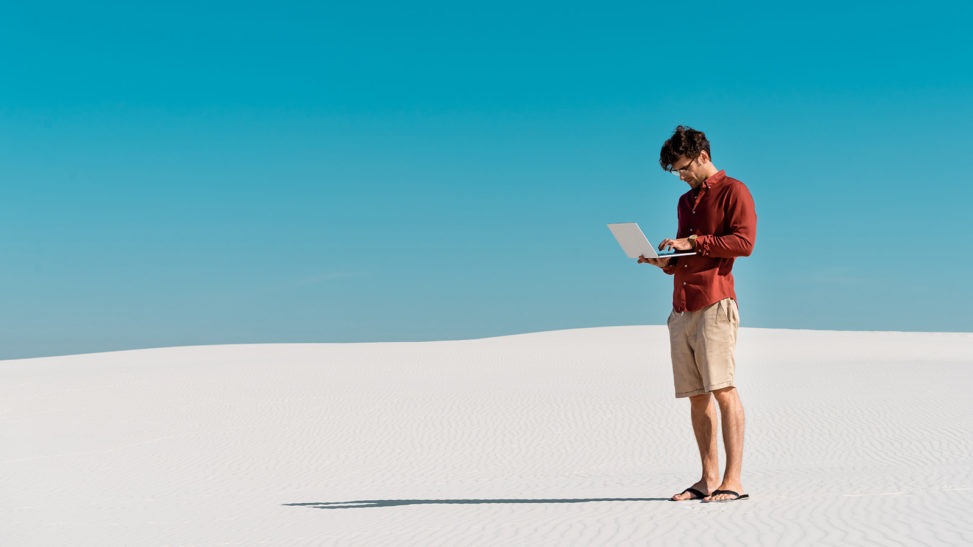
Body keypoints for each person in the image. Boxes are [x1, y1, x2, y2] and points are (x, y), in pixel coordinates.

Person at [639, 126, 756, 503]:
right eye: (676, 171)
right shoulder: (685, 202)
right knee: (696, 395)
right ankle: (707, 479)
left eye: (683, 168)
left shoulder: (733, 190)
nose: (681, 176)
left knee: (723, 388)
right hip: (681, 306)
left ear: (703, 156)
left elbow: (744, 243)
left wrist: (694, 241)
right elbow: (687, 257)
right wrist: (664, 262)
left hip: (715, 302)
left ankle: (732, 481)